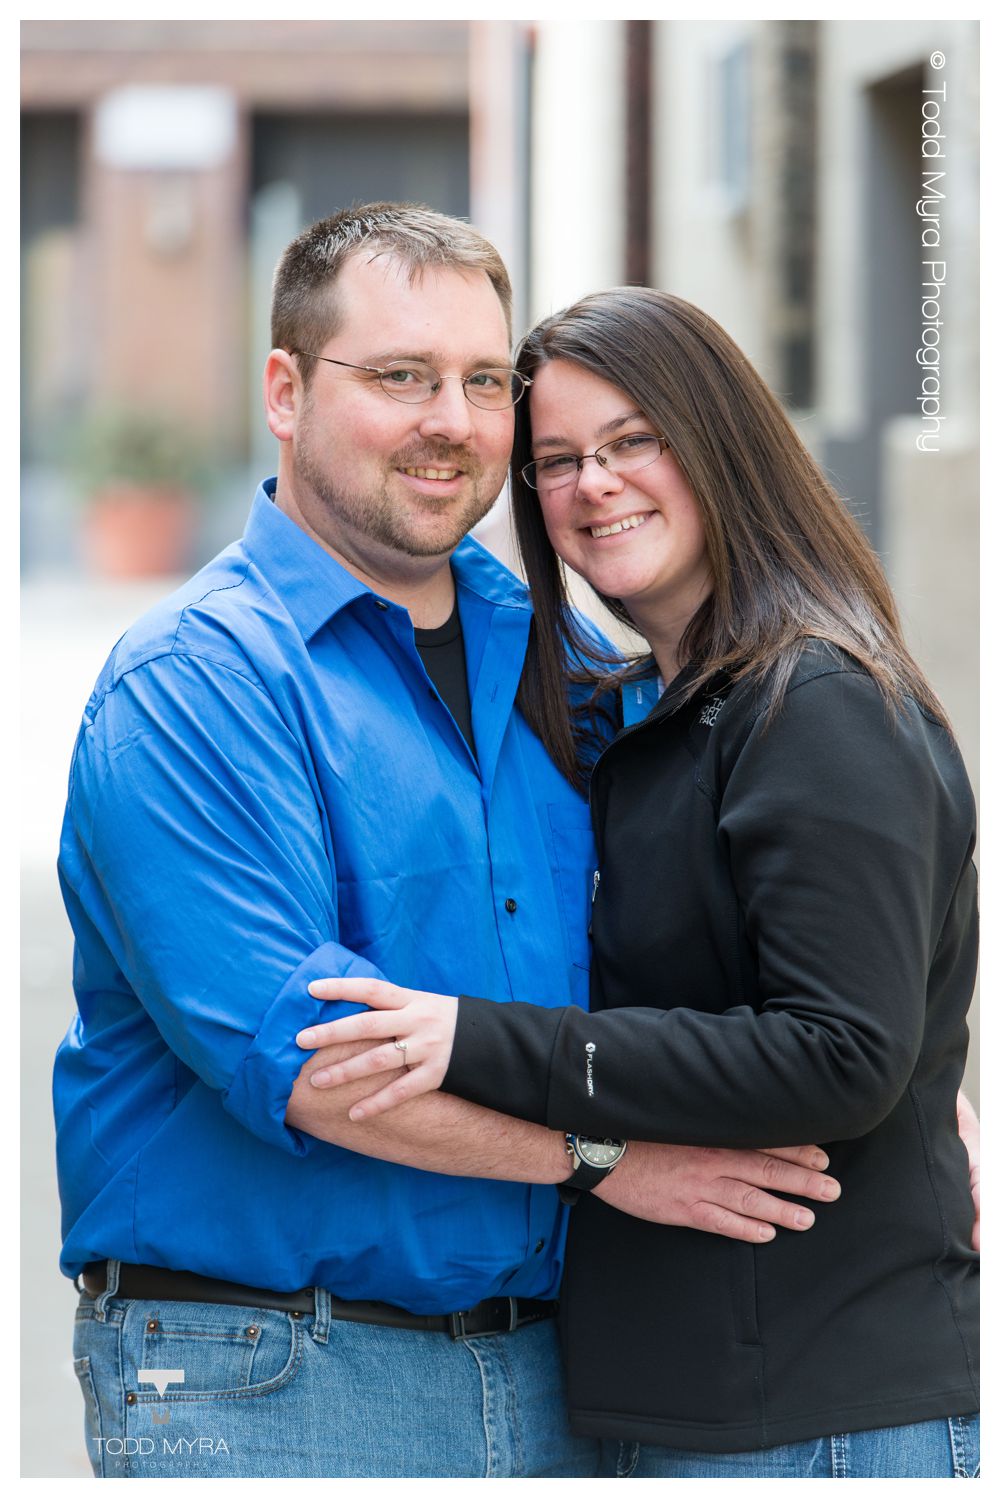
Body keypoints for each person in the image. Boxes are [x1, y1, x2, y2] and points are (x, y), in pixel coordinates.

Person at [54, 208, 844, 1481]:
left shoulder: (576, 664)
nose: (453, 421)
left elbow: (756, 920)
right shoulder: (195, 686)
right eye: (402, 376)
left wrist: (910, 1104)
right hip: (268, 1372)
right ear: (287, 389)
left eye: (484, 381)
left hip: (560, 1370)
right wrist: (606, 1161)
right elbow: (313, 1064)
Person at [297, 286, 981, 1479]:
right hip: (681, 1401)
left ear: (720, 443)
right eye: (557, 461)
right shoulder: (639, 715)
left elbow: (842, 1052)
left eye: (632, 441)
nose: (592, 485)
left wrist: (478, 1042)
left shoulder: (812, 703)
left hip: (817, 1412)